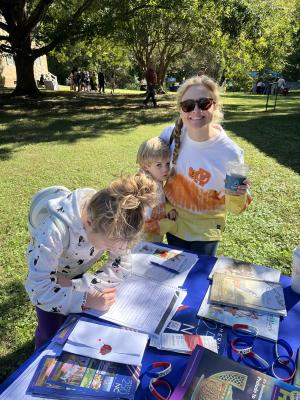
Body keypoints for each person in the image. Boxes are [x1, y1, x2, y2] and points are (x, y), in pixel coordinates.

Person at [25, 174, 157, 349]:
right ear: (89, 222)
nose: (113, 249)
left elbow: (122, 264)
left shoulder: (111, 221)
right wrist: (86, 299)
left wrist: (79, 285)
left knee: (70, 322)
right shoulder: (52, 232)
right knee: (49, 329)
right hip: (50, 277)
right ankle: (39, 356)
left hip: (73, 270)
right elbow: (39, 290)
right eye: (109, 245)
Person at [159, 75, 251, 256]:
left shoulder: (230, 153)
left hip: (206, 232)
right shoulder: (169, 135)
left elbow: (236, 209)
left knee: (195, 279)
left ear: (215, 105)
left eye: (203, 103)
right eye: (188, 105)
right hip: (173, 221)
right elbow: (149, 169)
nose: (196, 111)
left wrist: (238, 195)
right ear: (181, 110)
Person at [137, 137, 177, 242]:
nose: (165, 170)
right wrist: (168, 224)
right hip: (142, 245)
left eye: (167, 163)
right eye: (159, 165)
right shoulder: (145, 189)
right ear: (146, 167)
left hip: (154, 242)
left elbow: (159, 205)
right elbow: (143, 225)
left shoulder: (157, 181)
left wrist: (168, 209)